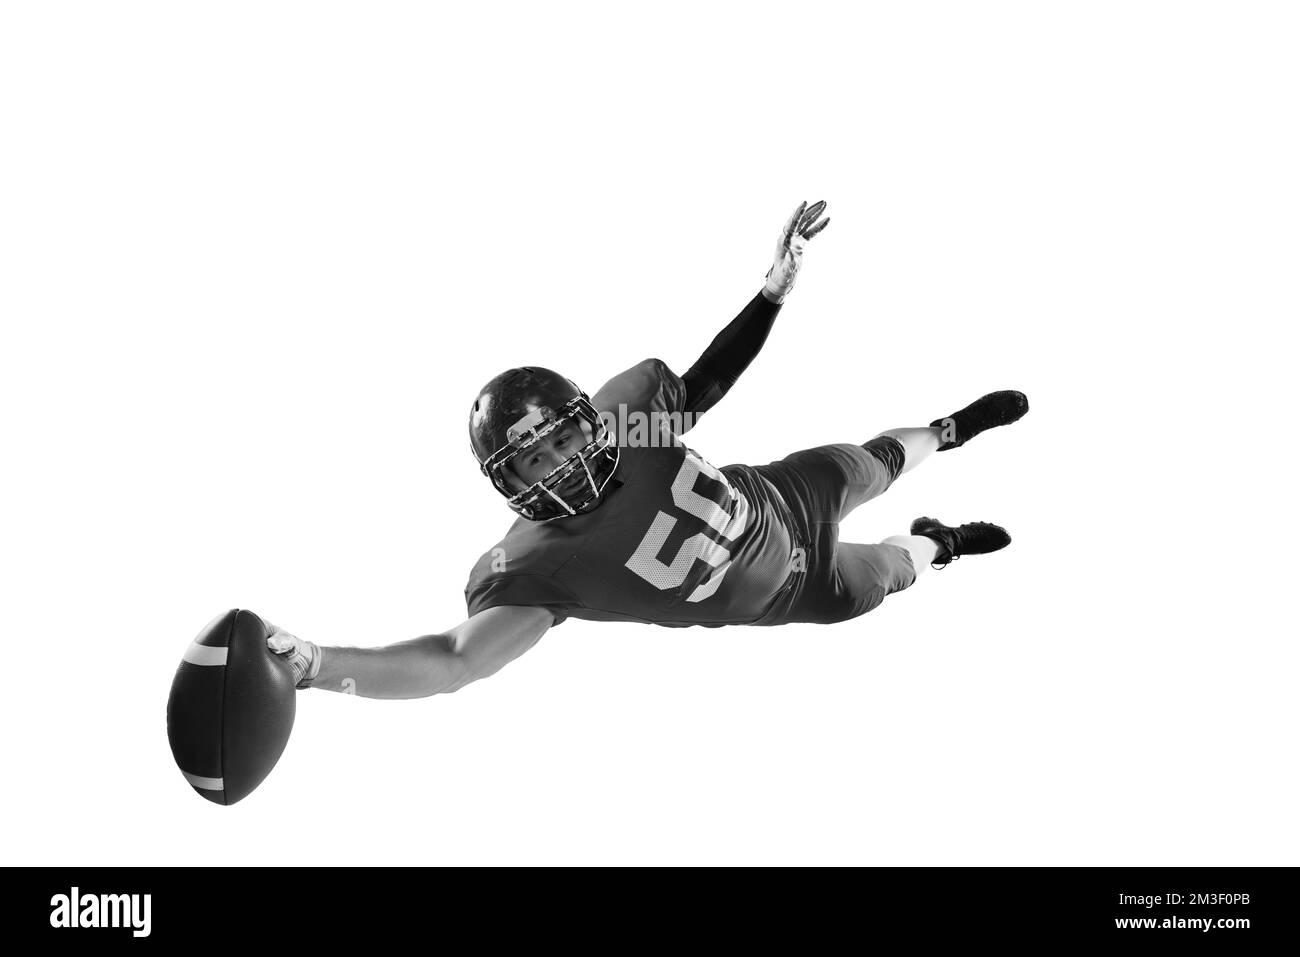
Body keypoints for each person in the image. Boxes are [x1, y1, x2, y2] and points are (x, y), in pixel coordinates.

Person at [267, 201, 1028, 697]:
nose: (559, 463)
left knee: (875, 461)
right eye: (534, 461)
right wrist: (322, 666)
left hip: (782, 494)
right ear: (509, 484)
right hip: (796, 593)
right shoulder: (534, 566)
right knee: (895, 571)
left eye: (562, 437)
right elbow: (455, 658)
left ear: (585, 420)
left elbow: (706, 382)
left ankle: (949, 429)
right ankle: (942, 542)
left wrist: (771, 293)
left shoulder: (629, 417)